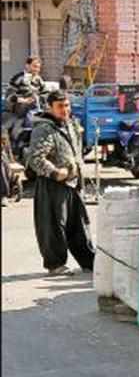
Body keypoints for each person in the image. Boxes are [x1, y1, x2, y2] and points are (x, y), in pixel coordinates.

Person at [27, 90, 95, 276]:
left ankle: (90, 261)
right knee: (53, 227)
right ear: (50, 107)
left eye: (67, 105)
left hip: (72, 183)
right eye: (60, 106)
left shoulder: (70, 124)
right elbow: (35, 158)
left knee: (79, 225)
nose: (65, 110)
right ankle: (55, 264)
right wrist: (56, 173)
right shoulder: (44, 128)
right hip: (53, 185)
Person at [4, 57, 45, 134]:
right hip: (19, 106)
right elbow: (9, 96)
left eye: (38, 67)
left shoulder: (38, 79)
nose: (37, 69)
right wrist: (24, 100)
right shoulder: (19, 78)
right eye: (34, 66)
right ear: (27, 65)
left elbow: (44, 91)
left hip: (34, 104)